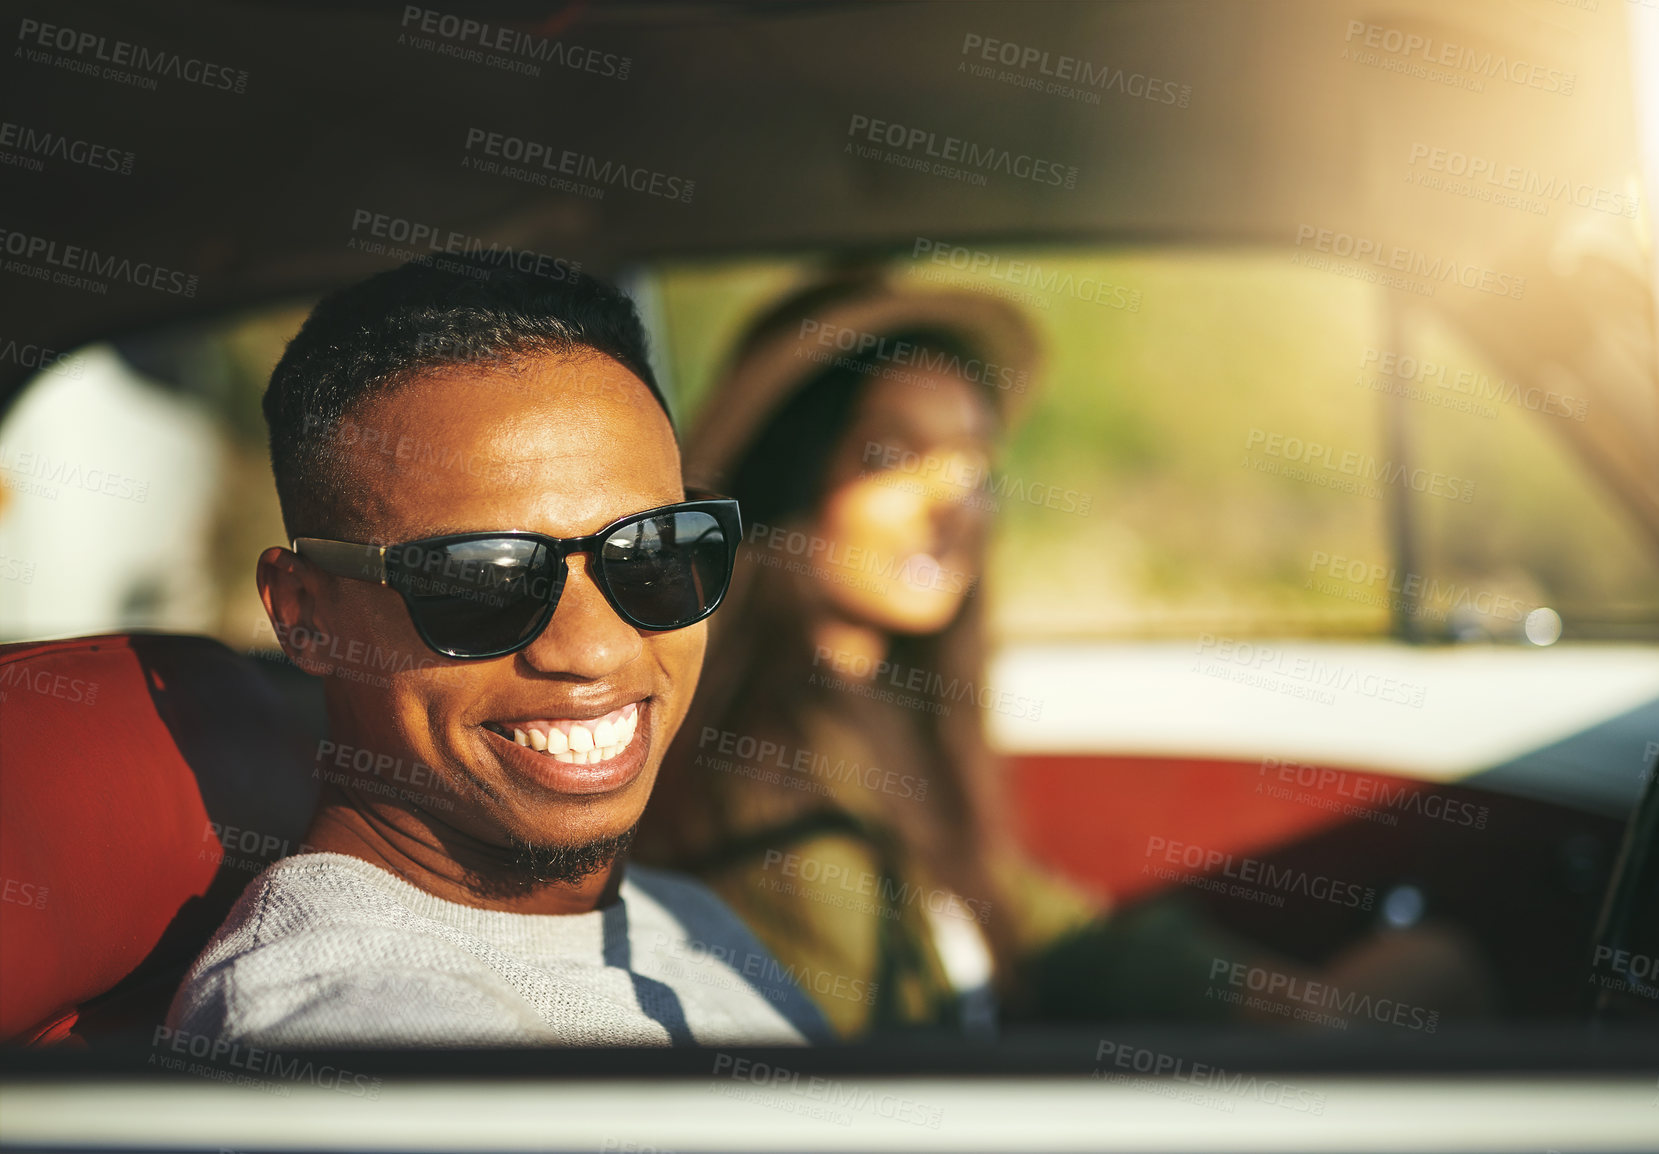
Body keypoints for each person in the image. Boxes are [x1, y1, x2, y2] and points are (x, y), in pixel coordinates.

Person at [166, 257, 830, 1048]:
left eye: (651, 553)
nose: (593, 647)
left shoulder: (686, 918)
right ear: (304, 614)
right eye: (483, 580)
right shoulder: (358, 1026)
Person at [637, 273, 1114, 1035]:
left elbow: (1019, 909)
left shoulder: (889, 711)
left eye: (976, 465)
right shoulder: (760, 783)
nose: (954, 502)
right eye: (890, 455)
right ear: (787, 475)